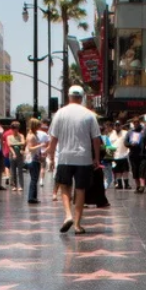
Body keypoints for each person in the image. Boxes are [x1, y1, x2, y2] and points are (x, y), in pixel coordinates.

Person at [47, 85, 103, 234]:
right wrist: (96, 157)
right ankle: (77, 225)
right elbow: (96, 139)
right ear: (82, 97)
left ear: (69, 96)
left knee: (64, 187)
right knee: (80, 189)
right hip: (83, 158)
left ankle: (68, 215)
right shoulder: (89, 114)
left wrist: (51, 157)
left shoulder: (60, 113)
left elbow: (53, 139)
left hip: (65, 157)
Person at [25, 117, 49, 204]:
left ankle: (34, 196)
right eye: (38, 125)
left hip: (35, 158)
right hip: (32, 159)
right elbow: (31, 148)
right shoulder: (31, 136)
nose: (40, 126)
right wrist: (40, 145)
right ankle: (31, 197)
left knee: (35, 178)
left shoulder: (33, 135)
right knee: (34, 179)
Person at [126, 118, 146, 194]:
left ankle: (142, 186)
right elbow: (125, 142)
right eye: (134, 122)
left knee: (142, 170)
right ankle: (138, 186)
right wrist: (130, 144)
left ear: (139, 122)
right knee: (135, 171)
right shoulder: (130, 132)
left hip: (143, 154)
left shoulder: (145, 130)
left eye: (137, 122)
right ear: (132, 123)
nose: (135, 123)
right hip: (133, 155)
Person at [109, 121, 130, 189]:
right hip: (115, 156)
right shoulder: (111, 134)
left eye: (119, 125)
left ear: (121, 126)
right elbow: (109, 145)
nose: (117, 127)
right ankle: (119, 184)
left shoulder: (125, 133)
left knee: (125, 171)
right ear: (114, 126)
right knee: (117, 171)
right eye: (116, 125)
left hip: (124, 155)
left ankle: (126, 184)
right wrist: (109, 156)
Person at [7, 121, 26, 195]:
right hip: (12, 154)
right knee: (12, 170)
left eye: (17, 128)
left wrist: (14, 144)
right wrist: (14, 151)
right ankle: (14, 185)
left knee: (20, 171)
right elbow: (9, 145)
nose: (16, 130)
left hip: (20, 155)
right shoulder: (9, 137)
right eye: (15, 128)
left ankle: (21, 185)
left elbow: (23, 143)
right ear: (12, 129)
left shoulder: (21, 135)